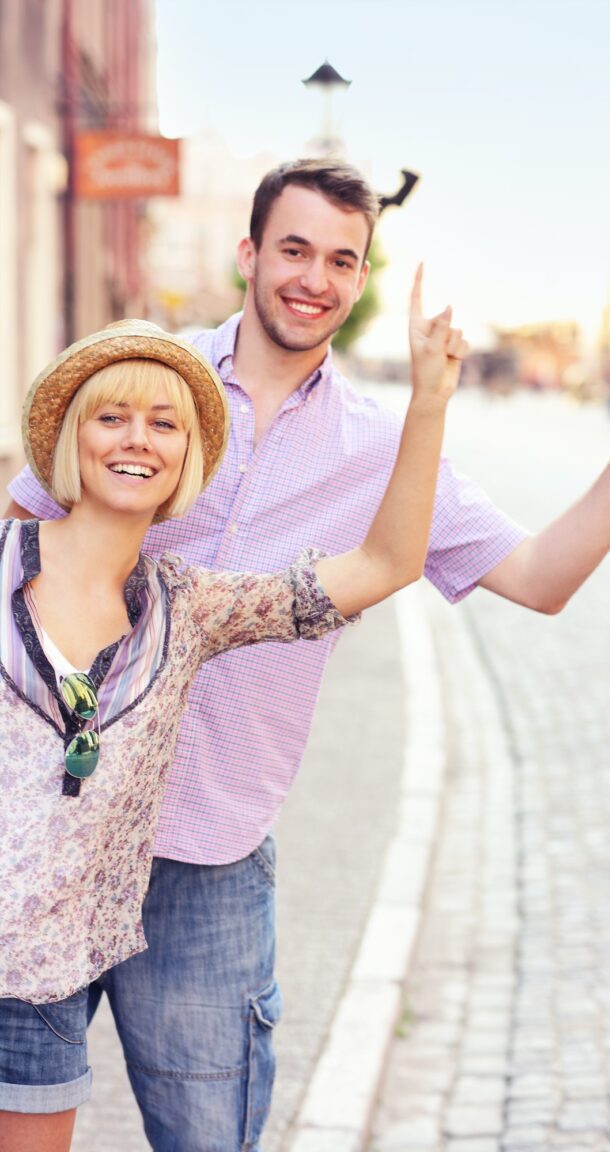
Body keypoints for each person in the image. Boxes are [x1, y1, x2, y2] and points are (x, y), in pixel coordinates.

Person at [6, 158, 610, 1152]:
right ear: (248, 254)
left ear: (361, 277)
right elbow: (23, 551)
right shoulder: (147, 393)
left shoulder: (386, 449)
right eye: (294, 248)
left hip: (206, 858)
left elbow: (542, 578)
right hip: (48, 836)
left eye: (344, 260)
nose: (315, 277)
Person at [0, 283, 467, 1152]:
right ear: (72, 439)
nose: (138, 438)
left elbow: (389, 560)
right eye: (113, 417)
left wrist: (430, 399)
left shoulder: (192, 610)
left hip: (36, 981)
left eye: (166, 424)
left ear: (186, 460)